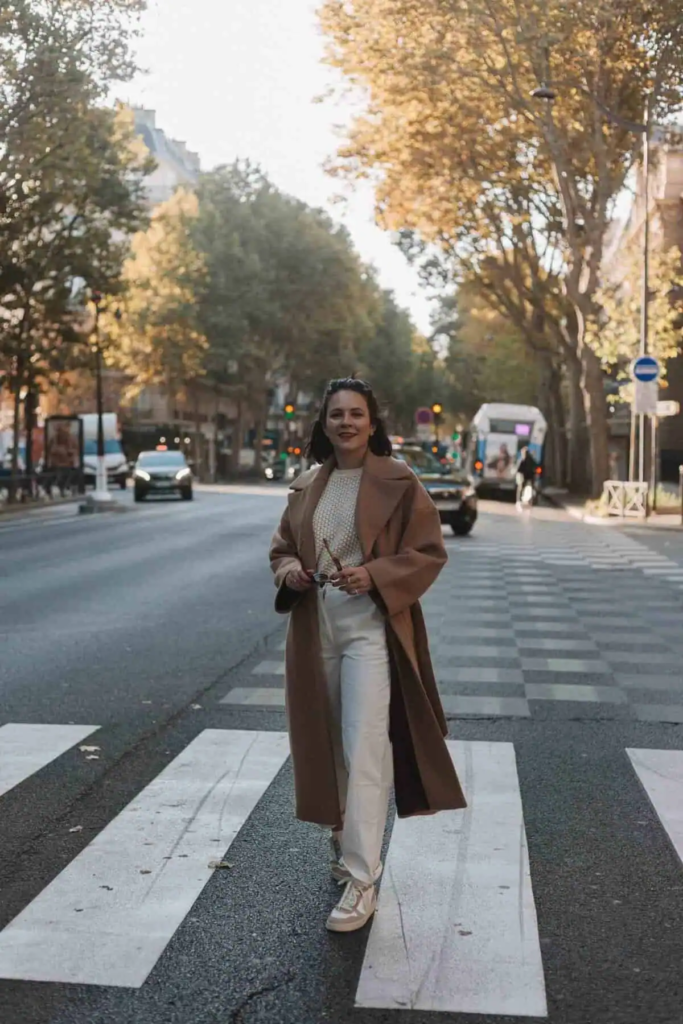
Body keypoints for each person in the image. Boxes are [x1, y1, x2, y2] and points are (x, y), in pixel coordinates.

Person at [269, 378, 466, 934]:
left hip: (370, 626)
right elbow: (282, 548)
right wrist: (292, 572)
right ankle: (344, 836)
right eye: (337, 415)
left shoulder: (401, 481)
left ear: (373, 423)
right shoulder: (307, 484)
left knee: (364, 745)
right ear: (325, 423)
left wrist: (374, 574)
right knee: (327, 737)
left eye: (357, 413)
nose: (347, 423)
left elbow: (429, 552)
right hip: (315, 624)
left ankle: (362, 877)